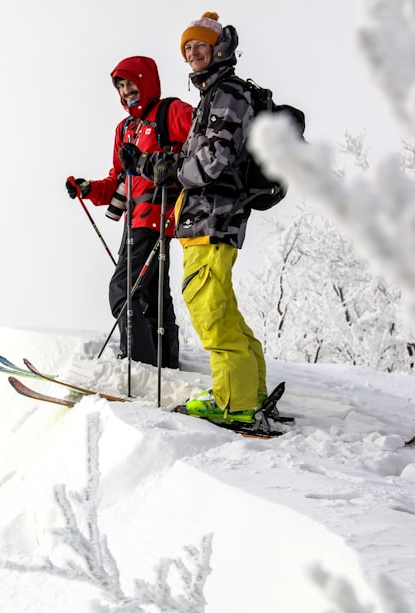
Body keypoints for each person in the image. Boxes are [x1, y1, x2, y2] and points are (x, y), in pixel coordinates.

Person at [135, 12, 268, 422]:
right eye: (187, 48)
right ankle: (250, 391)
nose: (193, 54)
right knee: (221, 305)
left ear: (219, 48)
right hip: (208, 218)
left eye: (200, 46)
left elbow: (215, 159)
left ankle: (234, 404)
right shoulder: (212, 95)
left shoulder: (226, 92)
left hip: (213, 218)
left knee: (207, 306)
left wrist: (173, 172)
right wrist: (155, 164)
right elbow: (199, 155)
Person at [66, 56, 193, 369]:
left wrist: (174, 169)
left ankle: (137, 363)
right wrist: (87, 188)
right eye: (120, 85)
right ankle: (164, 363)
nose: (126, 90)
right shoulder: (125, 129)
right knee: (151, 294)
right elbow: (118, 180)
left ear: (145, 81)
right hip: (134, 220)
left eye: (130, 81)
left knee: (123, 289)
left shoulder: (170, 112)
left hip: (159, 214)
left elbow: (202, 139)